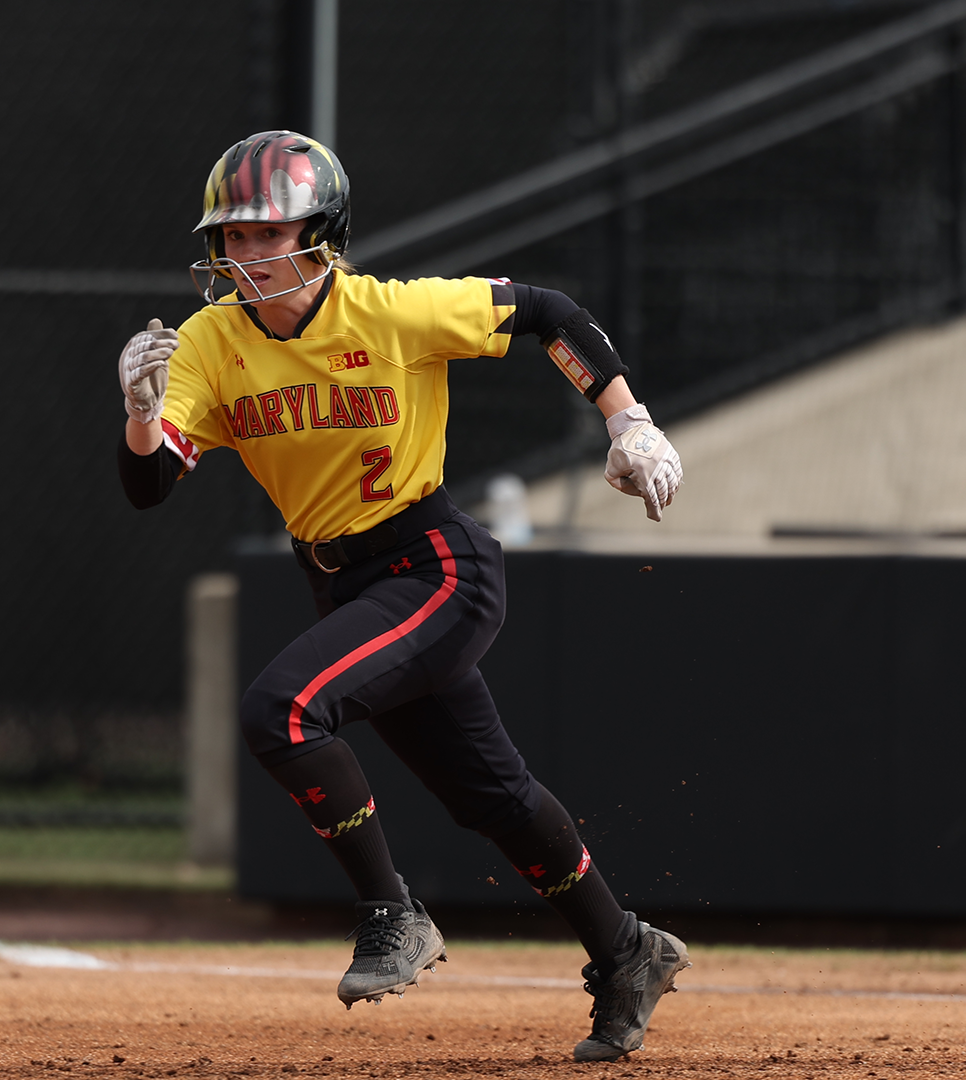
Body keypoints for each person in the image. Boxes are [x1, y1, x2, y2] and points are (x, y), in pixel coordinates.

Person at [115, 131, 686, 1063]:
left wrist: (626, 418)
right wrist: (141, 421)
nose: (249, 254)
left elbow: (548, 312)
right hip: (343, 580)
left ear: (325, 232)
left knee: (283, 713)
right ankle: (629, 951)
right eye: (235, 238)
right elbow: (150, 485)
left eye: (271, 233)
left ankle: (392, 914)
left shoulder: (389, 314)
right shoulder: (211, 343)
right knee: (494, 798)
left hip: (434, 564)